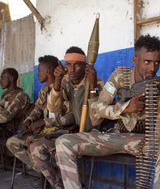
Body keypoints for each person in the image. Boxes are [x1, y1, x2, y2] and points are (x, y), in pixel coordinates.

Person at [55, 34, 160, 189]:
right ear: (135, 60)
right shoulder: (121, 76)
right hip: (115, 136)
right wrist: (125, 108)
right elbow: (97, 108)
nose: (152, 68)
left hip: (142, 141)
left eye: (156, 63)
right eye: (147, 62)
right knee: (63, 142)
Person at [6, 55, 75, 189]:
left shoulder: (65, 87)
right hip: (45, 131)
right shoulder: (44, 90)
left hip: (60, 130)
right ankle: (46, 172)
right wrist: (29, 120)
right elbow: (37, 108)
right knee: (13, 142)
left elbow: (71, 116)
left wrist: (44, 122)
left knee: (33, 145)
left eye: (39, 71)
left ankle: (57, 184)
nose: (38, 74)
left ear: (48, 71)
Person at [47, 46, 103, 131]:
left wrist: (93, 86)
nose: (72, 70)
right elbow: (52, 109)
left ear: (85, 66)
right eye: (68, 65)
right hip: (77, 131)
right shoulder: (66, 82)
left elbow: (96, 119)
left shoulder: (96, 81)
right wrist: (57, 80)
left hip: (95, 133)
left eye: (77, 65)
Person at [0, 68, 31, 137]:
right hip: (4, 127)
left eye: (2, 78)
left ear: (11, 78)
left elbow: (5, 117)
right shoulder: (5, 94)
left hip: (14, 130)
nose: (0, 81)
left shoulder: (21, 96)